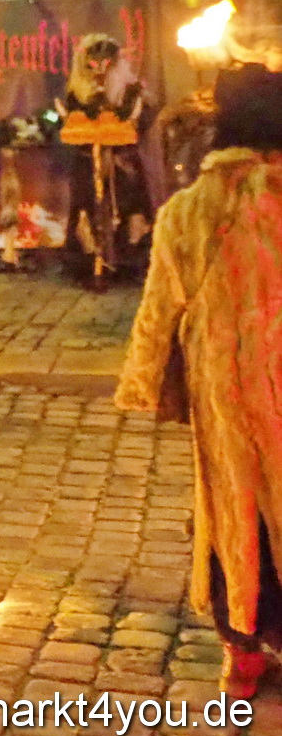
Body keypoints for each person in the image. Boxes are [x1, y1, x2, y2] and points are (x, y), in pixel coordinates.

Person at [117, 63, 282, 699]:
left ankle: (243, 653)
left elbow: (162, 308)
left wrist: (149, 386)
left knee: (235, 518)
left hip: (226, 396)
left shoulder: (187, 210)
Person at [57, 34, 152, 281]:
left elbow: (135, 118)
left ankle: (128, 260)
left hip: (121, 158)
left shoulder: (130, 89)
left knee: (127, 204)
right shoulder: (77, 90)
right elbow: (73, 117)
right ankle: (90, 261)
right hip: (88, 158)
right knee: (87, 205)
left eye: (106, 63)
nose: (100, 69)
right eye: (93, 64)